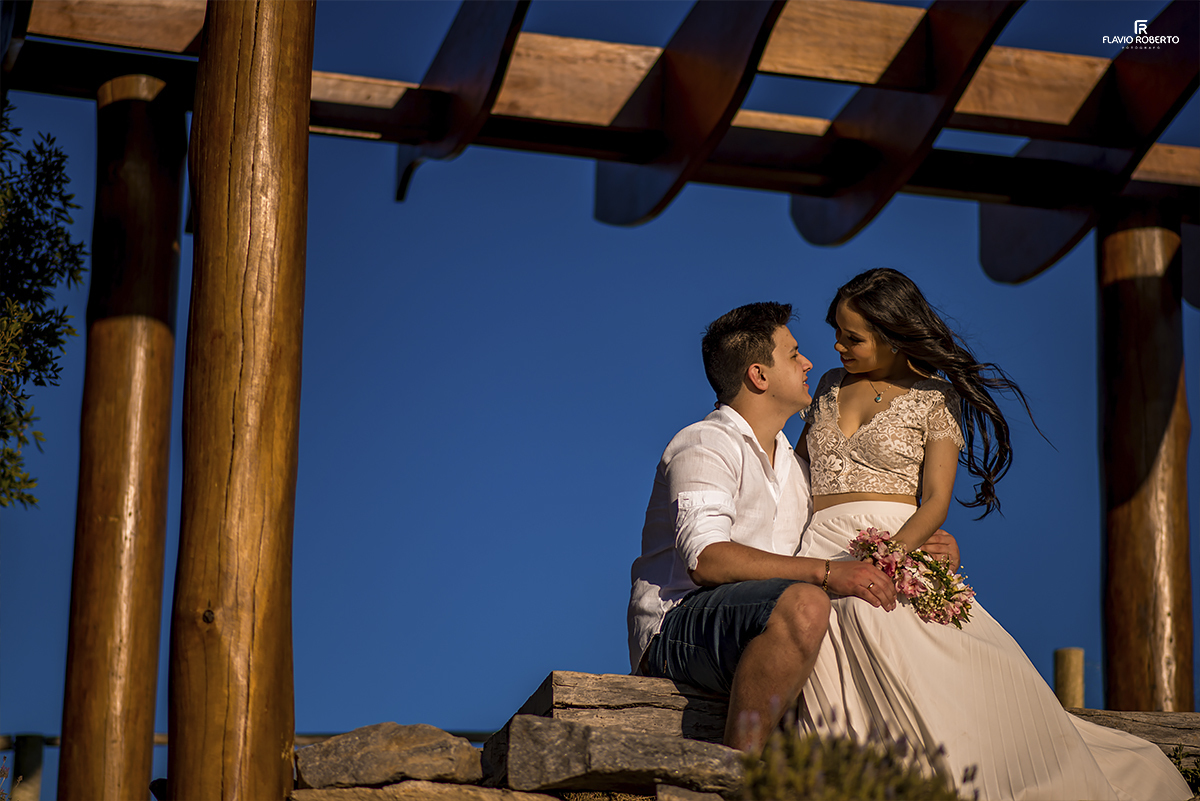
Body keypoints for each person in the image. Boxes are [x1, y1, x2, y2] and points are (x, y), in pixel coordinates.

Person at [795, 268, 1190, 800]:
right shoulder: (825, 387)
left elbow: (935, 501)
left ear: (893, 335)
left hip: (892, 543)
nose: (837, 346)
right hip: (816, 544)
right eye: (836, 331)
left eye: (852, 337)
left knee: (925, 666)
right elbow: (794, 471)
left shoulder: (935, 398)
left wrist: (890, 556)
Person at [626, 301, 960, 753]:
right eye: (793, 354)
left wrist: (922, 547)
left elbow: (838, 531)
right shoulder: (704, 444)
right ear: (759, 375)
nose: (809, 363)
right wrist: (827, 573)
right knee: (806, 601)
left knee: (849, 617)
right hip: (678, 627)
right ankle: (739, 777)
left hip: (758, 620)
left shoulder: (795, 467)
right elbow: (706, 559)